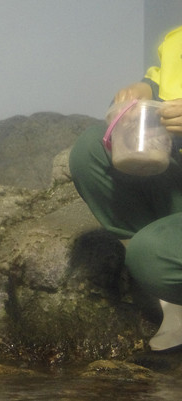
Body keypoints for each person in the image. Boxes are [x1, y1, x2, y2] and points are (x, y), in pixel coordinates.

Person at [69, 25, 182, 352]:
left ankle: (164, 264)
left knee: (152, 256)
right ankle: (174, 302)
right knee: (93, 149)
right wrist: (143, 91)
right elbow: (159, 87)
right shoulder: (175, 39)